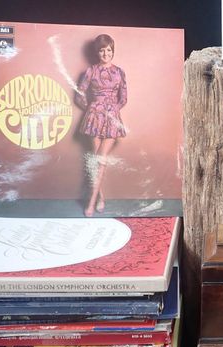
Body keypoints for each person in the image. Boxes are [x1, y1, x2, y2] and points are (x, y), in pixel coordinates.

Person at [75, 34, 127, 216]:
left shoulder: (120, 72)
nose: (106, 54)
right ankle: (100, 197)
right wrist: (91, 107)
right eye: (102, 50)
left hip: (112, 119)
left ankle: (90, 202)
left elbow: (124, 98)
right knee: (98, 162)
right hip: (94, 118)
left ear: (113, 51)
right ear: (97, 53)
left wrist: (112, 109)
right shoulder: (91, 71)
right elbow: (79, 94)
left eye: (109, 50)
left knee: (100, 160)